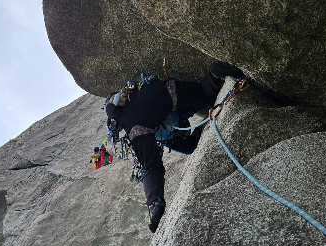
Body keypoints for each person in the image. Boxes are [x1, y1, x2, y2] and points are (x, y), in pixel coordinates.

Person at [104, 62, 244, 233]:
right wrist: (203, 123)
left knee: (151, 167)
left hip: (140, 117)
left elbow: (158, 163)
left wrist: (111, 102)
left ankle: (155, 203)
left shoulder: (153, 137)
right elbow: (189, 146)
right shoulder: (166, 137)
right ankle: (214, 76)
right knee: (203, 94)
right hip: (157, 94)